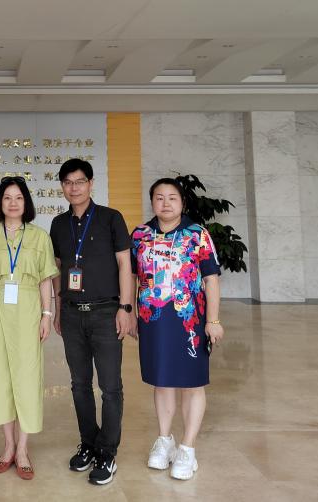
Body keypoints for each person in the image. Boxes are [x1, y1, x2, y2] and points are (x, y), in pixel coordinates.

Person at [131, 178, 225, 481]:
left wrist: (213, 320)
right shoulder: (140, 235)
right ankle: (164, 440)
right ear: (152, 202)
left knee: (192, 383)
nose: (166, 203)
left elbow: (211, 279)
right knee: (162, 382)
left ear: (182, 203)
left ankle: (188, 448)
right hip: (154, 321)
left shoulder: (197, 234)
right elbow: (132, 277)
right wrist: (130, 313)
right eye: (159, 197)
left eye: (172, 197)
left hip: (189, 321)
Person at [48, 159, 135, 486]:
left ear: (91, 183)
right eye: (68, 182)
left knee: (110, 387)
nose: (74, 187)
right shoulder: (58, 224)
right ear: (62, 186)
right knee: (79, 384)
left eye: (80, 181)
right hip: (72, 314)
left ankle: (107, 452)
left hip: (106, 312)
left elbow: (125, 264)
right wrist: (57, 308)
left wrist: (125, 307)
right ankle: (89, 443)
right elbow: (58, 269)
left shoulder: (111, 218)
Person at [0, 176, 59, 481]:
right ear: (0, 203)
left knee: (27, 377)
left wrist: (47, 314)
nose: (13, 203)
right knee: (0, 377)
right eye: (7, 197)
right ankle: (8, 446)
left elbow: (46, 279)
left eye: (18, 197)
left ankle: (22, 449)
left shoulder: (39, 237)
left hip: (29, 311)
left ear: (26, 203)